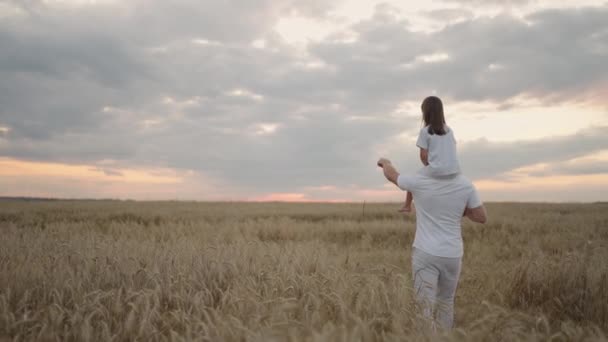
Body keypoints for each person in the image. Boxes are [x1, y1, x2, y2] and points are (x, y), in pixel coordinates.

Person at [377, 155, 486, 330]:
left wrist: (385, 162)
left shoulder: (420, 179)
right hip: (453, 254)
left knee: (423, 308)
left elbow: (393, 176)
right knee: (446, 302)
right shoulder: (465, 183)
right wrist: (453, 211)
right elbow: (481, 217)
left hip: (426, 252)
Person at [400, 96, 461, 213]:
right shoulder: (449, 130)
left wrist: (428, 164)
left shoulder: (425, 131)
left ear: (425, 113)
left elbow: (423, 155)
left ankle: (407, 205)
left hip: (436, 169)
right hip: (454, 169)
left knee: (412, 180)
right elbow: (452, 148)